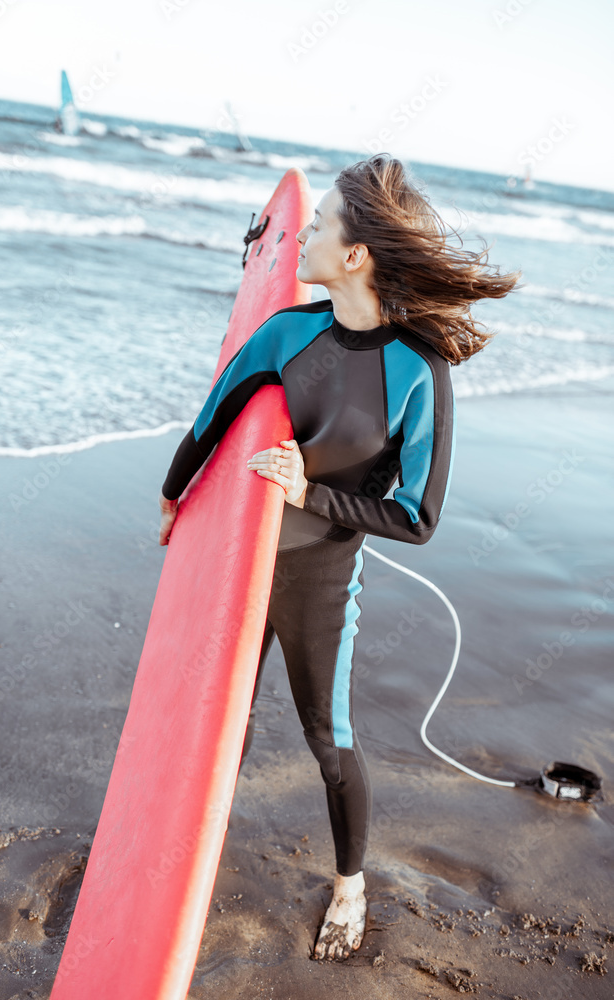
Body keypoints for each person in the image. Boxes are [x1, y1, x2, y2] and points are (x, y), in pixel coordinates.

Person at [157, 154, 522, 961]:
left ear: (353, 255)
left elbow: (416, 516)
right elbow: (212, 417)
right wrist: (174, 495)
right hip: (233, 564)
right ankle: (177, 868)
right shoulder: (288, 332)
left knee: (330, 741)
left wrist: (309, 496)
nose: (305, 234)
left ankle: (350, 884)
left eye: (320, 224)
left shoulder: (415, 371)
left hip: (318, 576)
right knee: (215, 724)